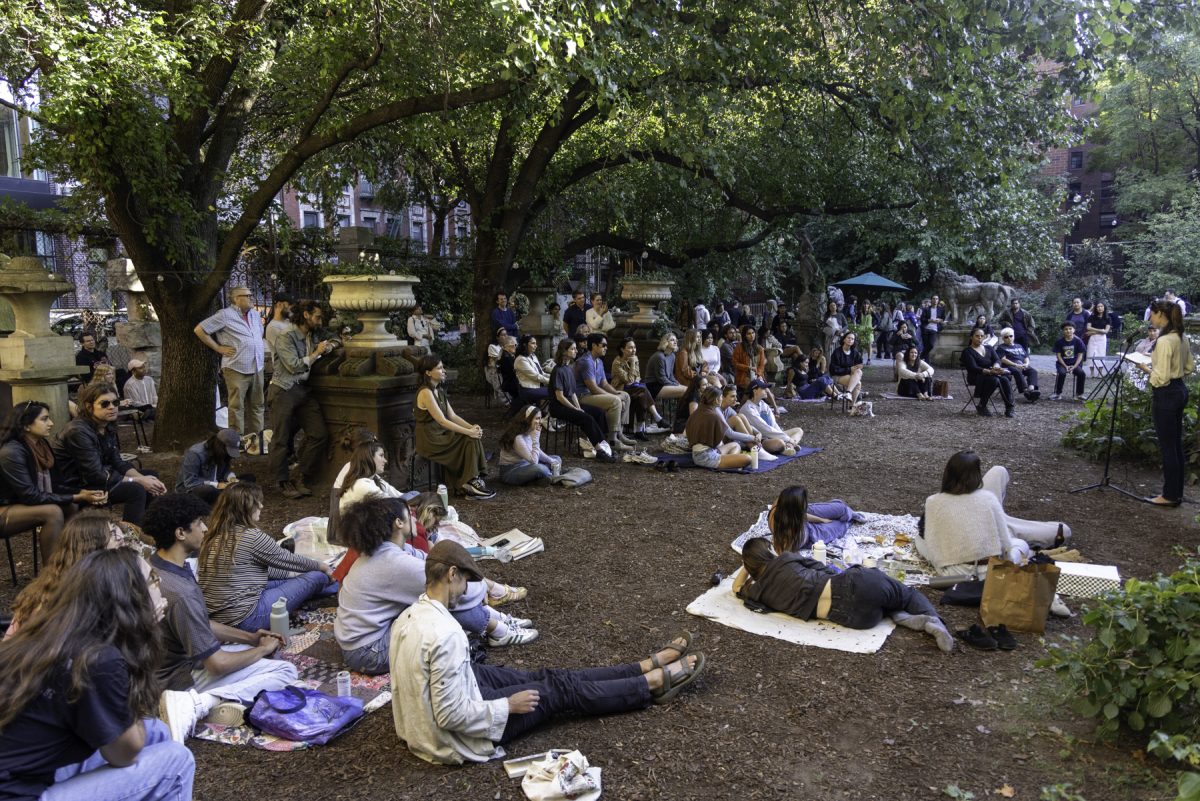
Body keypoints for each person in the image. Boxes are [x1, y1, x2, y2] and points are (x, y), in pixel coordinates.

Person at [389, 540, 704, 764]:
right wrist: (507, 706)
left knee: (549, 678)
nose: (466, 591)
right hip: (456, 737)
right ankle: (649, 683)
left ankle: (641, 667)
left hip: (445, 705)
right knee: (558, 691)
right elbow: (450, 714)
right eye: (466, 582)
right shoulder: (446, 634)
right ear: (451, 574)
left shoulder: (408, 617)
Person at [0, 549, 196, 801]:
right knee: (176, 761)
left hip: (26, 770)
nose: (161, 591)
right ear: (130, 598)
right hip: (16, 793)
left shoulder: (51, 636)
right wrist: (139, 648)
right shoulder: (98, 659)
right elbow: (123, 754)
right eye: (153, 581)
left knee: (157, 731)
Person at [145, 493, 299, 742]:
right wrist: (261, 650)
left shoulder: (156, 565)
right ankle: (200, 704)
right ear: (180, 533)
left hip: (161, 668)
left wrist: (250, 638)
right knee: (285, 670)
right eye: (199, 523)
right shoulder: (179, 592)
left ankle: (213, 700)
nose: (206, 529)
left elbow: (200, 623)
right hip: (177, 680)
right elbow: (216, 664)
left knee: (242, 650)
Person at [336, 499, 535, 676]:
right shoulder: (393, 563)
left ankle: (499, 623)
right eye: (410, 515)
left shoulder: (389, 551)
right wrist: (480, 587)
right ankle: (499, 631)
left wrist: (479, 584)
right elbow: (450, 587)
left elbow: (430, 561)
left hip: (364, 638)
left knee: (444, 593)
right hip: (368, 653)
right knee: (442, 599)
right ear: (399, 523)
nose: (415, 519)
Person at [735, 538, 953, 651]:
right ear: (769, 552)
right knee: (905, 593)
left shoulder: (757, 593)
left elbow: (736, 588)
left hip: (857, 619)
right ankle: (935, 621)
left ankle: (903, 617)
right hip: (857, 585)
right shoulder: (786, 559)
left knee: (882, 606)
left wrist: (747, 567)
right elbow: (825, 568)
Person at [198, 483, 335, 631]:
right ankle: (337, 585)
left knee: (294, 577)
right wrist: (322, 566)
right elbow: (287, 560)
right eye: (258, 502)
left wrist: (296, 575)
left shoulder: (214, 534)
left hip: (220, 616)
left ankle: (323, 586)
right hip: (247, 618)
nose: (262, 506)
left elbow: (263, 572)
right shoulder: (251, 536)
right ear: (247, 506)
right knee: (316, 576)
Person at [919, 451, 1071, 576]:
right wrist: (1012, 561)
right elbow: (1006, 545)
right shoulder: (988, 499)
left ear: (947, 473)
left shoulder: (933, 502)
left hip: (956, 569)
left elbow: (932, 545)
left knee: (999, 470)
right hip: (989, 566)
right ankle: (1023, 539)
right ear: (976, 475)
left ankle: (1019, 539)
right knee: (1020, 544)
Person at [0, 401, 106, 557]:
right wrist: (78, 496)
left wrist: (82, 492)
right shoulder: (11, 453)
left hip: (20, 504)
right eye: (44, 419)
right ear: (26, 425)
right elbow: (30, 496)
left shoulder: (41, 445)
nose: (51, 423)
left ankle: (72, 560)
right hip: (5, 507)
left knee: (70, 506)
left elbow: (55, 485)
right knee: (52, 511)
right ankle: (52, 575)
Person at [52, 383, 166, 525]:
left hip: (97, 477)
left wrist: (144, 479)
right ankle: (132, 537)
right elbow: (95, 474)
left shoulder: (106, 426)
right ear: (89, 406)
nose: (112, 407)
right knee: (136, 489)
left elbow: (117, 461)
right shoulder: (78, 431)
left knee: (151, 476)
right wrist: (138, 481)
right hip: (77, 485)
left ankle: (149, 530)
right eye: (104, 404)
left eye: (115, 402)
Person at [268, 299, 335, 499]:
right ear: (305, 315)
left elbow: (335, 338)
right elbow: (294, 366)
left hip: (304, 391)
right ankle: (282, 481)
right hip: (284, 390)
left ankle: (300, 475)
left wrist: (330, 346)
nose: (320, 321)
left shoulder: (312, 333)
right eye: (317, 317)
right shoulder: (285, 336)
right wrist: (317, 353)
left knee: (319, 434)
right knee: (281, 438)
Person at [1135, 300, 1196, 507]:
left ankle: (1169, 495)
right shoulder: (1180, 336)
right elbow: (1189, 367)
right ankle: (1175, 491)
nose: (1150, 318)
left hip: (1166, 394)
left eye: (1152, 314)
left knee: (1168, 446)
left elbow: (1159, 378)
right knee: (1175, 444)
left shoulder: (1164, 341)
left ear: (1160, 314)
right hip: (1179, 390)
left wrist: (1145, 369)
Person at [414, 355, 496, 499]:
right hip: (430, 439)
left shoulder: (438, 391)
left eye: (443, 367)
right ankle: (469, 483)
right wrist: (468, 432)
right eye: (439, 368)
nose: (444, 371)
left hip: (442, 435)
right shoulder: (425, 392)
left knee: (471, 438)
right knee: (468, 438)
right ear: (428, 372)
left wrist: (472, 427)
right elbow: (442, 421)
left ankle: (470, 482)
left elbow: (452, 416)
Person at [195, 285, 266, 450]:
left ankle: (257, 442)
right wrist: (218, 348)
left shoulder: (255, 315)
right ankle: (237, 443)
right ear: (235, 299)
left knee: (258, 405)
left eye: (251, 294)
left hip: (257, 366)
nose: (251, 298)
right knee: (236, 407)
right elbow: (200, 329)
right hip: (236, 367)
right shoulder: (225, 315)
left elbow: (257, 336)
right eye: (247, 295)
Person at [548, 339, 615, 462]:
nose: (576, 351)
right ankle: (600, 448)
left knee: (599, 412)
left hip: (569, 404)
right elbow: (560, 396)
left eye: (575, 348)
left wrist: (578, 407)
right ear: (564, 351)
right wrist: (576, 409)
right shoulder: (558, 370)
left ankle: (604, 444)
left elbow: (573, 392)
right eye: (572, 349)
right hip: (558, 407)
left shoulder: (568, 368)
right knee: (586, 418)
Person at [576, 333, 635, 451]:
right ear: (593, 345)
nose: (606, 348)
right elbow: (593, 388)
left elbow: (604, 384)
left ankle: (619, 434)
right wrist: (614, 397)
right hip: (583, 396)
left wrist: (616, 393)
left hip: (593, 394)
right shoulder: (586, 361)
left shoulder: (599, 361)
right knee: (615, 401)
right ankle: (612, 440)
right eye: (603, 345)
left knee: (625, 396)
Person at [685, 386, 761, 469]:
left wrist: (756, 433)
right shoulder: (713, 415)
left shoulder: (698, 411)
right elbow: (730, 434)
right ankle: (733, 463)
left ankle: (732, 462)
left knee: (736, 445)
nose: (722, 399)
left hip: (700, 453)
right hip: (706, 457)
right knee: (748, 459)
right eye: (721, 397)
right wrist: (753, 438)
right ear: (717, 400)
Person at [609, 338, 670, 438]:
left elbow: (637, 377)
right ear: (622, 349)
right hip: (621, 389)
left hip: (634, 389)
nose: (633, 350)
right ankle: (657, 418)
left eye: (634, 347)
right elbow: (629, 380)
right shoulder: (617, 363)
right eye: (630, 348)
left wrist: (634, 377)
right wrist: (633, 364)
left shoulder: (634, 358)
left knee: (642, 396)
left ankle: (639, 431)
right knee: (643, 390)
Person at [174, 428, 244, 506]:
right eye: (228, 451)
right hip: (190, 491)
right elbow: (190, 483)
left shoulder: (223, 454)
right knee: (210, 490)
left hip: (215, 486)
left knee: (247, 480)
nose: (228, 454)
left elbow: (224, 472)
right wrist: (216, 485)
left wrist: (231, 478)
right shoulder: (195, 454)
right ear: (220, 446)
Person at [496, 406, 562, 485]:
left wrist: (551, 460)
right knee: (540, 468)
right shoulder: (518, 438)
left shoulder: (528, 431)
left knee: (556, 459)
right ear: (528, 419)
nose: (540, 421)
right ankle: (544, 476)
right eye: (537, 418)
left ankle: (540, 478)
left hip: (527, 464)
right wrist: (535, 438)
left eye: (540, 418)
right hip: (511, 471)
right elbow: (534, 461)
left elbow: (536, 451)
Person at [960, 326, 1015, 417]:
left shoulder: (989, 348)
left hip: (992, 373)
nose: (980, 338)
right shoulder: (967, 352)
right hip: (976, 376)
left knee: (1005, 379)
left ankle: (1009, 408)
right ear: (971, 337)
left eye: (982, 336)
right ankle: (982, 405)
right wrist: (990, 372)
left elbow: (997, 360)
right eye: (977, 336)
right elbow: (973, 368)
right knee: (994, 380)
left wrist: (996, 367)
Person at [739, 379, 804, 455]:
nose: (766, 390)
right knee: (779, 443)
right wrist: (788, 439)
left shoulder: (763, 404)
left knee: (799, 430)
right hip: (760, 440)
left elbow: (773, 424)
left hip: (772, 435)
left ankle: (789, 446)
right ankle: (787, 446)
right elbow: (764, 428)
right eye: (763, 388)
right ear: (755, 391)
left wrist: (786, 438)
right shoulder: (747, 409)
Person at [338, 440, 407, 510]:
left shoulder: (373, 478)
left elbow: (398, 494)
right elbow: (395, 505)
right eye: (381, 455)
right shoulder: (362, 485)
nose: (385, 461)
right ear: (369, 457)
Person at [995, 328, 1040, 401]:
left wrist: (1026, 364)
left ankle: (1031, 389)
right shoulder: (1001, 347)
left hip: (1022, 365)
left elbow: (1026, 357)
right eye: (1006, 337)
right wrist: (1016, 365)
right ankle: (1025, 390)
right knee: (1016, 371)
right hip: (1009, 366)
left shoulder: (1019, 346)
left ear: (1014, 336)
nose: (1009, 338)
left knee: (1033, 371)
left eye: (1011, 336)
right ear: (1003, 338)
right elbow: (1003, 359)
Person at [645, 333, 689, 401]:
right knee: (686, 390)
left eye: (676, 340)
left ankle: (685, 411)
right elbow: (661, 378)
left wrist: (676, 383)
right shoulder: (659, 356)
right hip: (654, 386)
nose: (675, 342)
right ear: (665, 342)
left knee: (689, 390)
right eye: (672, 340)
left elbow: (670, 375)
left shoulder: (672, 355)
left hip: (664, 383)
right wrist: (675, 385)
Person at [1051, 321, 1086, 401]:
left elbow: (1080, 356)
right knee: (1062, 373)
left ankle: (1079, 394)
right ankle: (1058, 393)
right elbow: (1058, 356)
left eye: (1070, 329)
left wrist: (1074, 367)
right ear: (1063, 331)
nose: (1068, 331)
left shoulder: (1078, 341)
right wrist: (1065, 366)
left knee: (1081, 373)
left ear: (1074, 330)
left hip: (1075, 364)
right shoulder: (1059, 342)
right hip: (1062, 364)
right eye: (1066, 329)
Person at [513, 334, 551, 406]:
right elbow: (536, 376)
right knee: (556, 391)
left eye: (535, 343)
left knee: (558, 390)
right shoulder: (521, 359)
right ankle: (547, 413)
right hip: (528, 389)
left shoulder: (533, 356)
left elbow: (541, 373)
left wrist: (554, 376)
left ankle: (544, 412)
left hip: (537, 386)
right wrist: (552, 380)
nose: (536, 345)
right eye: (533, 343)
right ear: (525, 345)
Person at [829, 331, 865, 404]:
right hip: (838, 376)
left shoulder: (854, 352)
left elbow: (860, 363)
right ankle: (852, 406)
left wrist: (859, 366)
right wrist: (850, 369)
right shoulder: (837, 352)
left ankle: (848, 393)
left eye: (852, 339)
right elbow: (834, 370)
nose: (850, 340)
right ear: (844, 339)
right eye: (848, 338)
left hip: (851, 375)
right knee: (858, 384)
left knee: (859, 371)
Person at [263, 292, 295, 365]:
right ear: (279, 304)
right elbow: (287, 348)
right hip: (283, 370)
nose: (291, 309)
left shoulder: (288, 322)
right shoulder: (273, 327)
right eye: (289, 305)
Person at [1086, 301, 1111, 376]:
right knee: (1091, 353)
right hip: (1093, 338)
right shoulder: (1091, 317)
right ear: (1095, 308)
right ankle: (1092, 373)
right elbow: (1088, 327)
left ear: (1104, 307)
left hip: (1102, 339)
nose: (1100, 308)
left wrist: (1093, 331)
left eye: (1101, 306)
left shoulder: (1107, 318)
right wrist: (1100, 330)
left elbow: (1106, 331)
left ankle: (1100, 373)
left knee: (1101, 354)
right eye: (1098, 307)